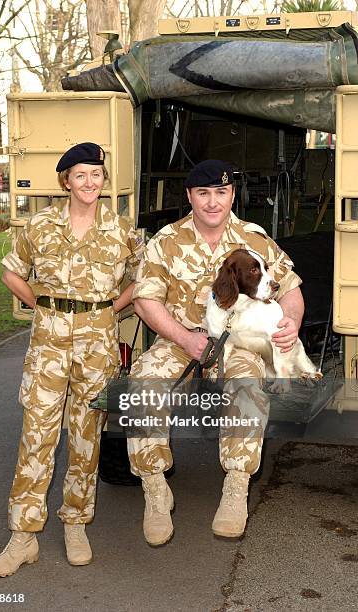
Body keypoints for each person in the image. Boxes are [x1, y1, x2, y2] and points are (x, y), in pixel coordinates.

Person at [126, 159, 303, 546]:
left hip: (239, 342)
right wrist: (186, 339)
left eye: (220, 193)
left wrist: (289, 322)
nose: (212, 202)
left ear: (232, 195)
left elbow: (291, 289)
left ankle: (236, 489)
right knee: (143, 384)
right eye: (203, 193)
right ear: (190, 196)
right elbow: (145, 302)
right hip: (180, 340)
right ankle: (155, 491)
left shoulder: (253, 238)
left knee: (247, 383)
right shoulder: (166, 241)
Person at [0, 142, 144, 577]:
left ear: (103, 180)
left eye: (97, 174)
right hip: (48, 345)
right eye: (81, 175)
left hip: (97, 343)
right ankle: (22, 537)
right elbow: (11, 272)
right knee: (36, 435)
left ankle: (76, 523)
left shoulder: (120, 229)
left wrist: (114, 309)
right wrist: (38, 304)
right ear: (66, 181)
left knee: (86, 437)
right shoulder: (39, 225)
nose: (90, 182)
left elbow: (143, 277)